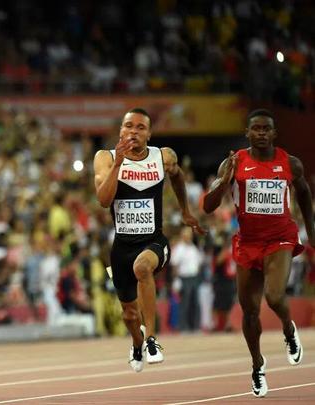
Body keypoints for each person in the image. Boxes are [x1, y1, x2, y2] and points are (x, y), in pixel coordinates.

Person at [203, 108, 313, 398]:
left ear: (274, 133)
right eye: (256, 128)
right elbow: (208, 206)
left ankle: (288, 330)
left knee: (274, 296)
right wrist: (224, 181)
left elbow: (304, 193)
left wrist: (311, 230)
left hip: (280, 239)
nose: (261, 133)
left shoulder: (290, 163)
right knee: (250, 311)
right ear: (247, 133)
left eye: (266, 129)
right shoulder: (234, 163)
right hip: (248, 243)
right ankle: (257, 365)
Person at [93, 108, 204, 372]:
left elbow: (177, 176)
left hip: (154, 241)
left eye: (140, 127)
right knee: (129, 314)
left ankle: (152, 339)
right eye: (128, 126)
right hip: (121, 248)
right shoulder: (105, 158)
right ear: (121, 131)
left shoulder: (162, 157)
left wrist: (185, 210)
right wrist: (118, 164)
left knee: (142, 267)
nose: (133, 131)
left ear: (150, 134)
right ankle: (137, 342)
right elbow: (103, 201)